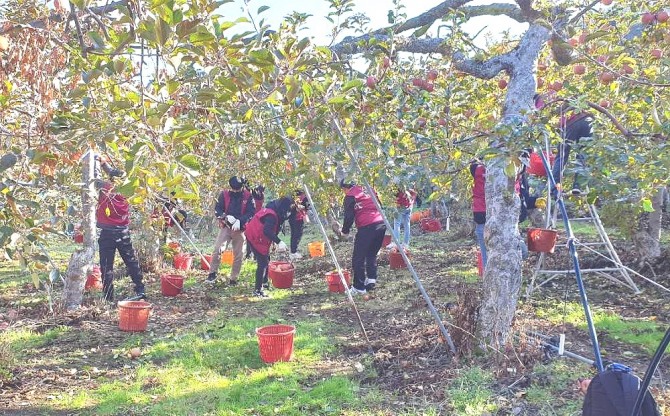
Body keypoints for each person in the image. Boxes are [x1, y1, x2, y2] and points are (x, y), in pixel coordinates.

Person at [95, 176, 146, 302]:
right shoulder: (127, 192)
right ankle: (140, 288)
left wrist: (98, 162)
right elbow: (118, 176)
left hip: (107, 233)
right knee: (131, 261)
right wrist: (104, 165)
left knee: (106, 266)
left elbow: (94, 179)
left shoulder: (104, 191)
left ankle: (108, 296)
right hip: (123, 232)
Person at [206, 176, 255, 285]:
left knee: (239, 254)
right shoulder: (224, 194)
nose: (235, 191)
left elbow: (251, 213)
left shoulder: (248, 196)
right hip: (226, 226)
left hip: (240, 229)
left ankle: (233, 278)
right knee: (218, 249)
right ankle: (212, 274)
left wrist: (240, 221)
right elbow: (218, 208)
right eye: (233, 189)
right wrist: (225, 216)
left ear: (242, 187)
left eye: (237, 189)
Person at [340, 179, 386, 294]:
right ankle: (371, 279)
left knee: (358, 258)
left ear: (345, 188)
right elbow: (379, 204)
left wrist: (345, 231)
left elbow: (349, 217)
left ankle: (359, 287)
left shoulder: (350, 196)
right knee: (371, 253)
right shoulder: (368, 189)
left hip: (367, 226)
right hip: (381, 224)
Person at [244, 196, 295, 297]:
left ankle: (265, 283)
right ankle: (257, 291)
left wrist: (272, 242)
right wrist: (278, 241)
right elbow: (267, 231)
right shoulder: (271, 215)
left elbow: (272, 229)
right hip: (254, 235)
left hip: (258, 235)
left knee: (266, 259)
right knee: (262, 263)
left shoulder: (275, 208)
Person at [470, 160, 487, 268]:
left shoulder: (476, 169)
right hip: (494, 212)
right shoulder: (503, 169)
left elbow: (473, 165)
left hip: (480, 212)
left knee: (485, 250)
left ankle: (488, 276)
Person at [288, 191, 309, 260]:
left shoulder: (305, 198)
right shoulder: (294, 196)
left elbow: (306, 207)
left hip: (300, 218)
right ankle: (293, 252)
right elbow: (290, 207)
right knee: (295, 234)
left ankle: (293, 251)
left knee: (298, 234)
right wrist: (296, 207)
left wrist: (302, 208)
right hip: (294, 218)